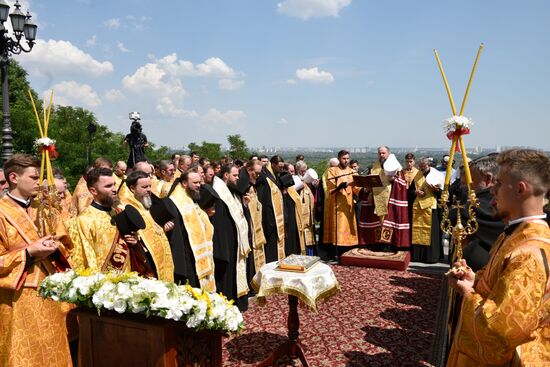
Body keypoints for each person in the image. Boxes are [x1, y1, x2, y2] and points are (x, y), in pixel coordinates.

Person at [447, 149, 550, 366]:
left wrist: (467, 293)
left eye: (500, 183)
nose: (493, 189)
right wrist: (474, 280)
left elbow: (502, 331)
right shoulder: (515, 233)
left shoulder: (528, 254)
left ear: (520, 189)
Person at [0, 154, 73, 367]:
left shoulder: (46, 209)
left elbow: (66, 244)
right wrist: (29, 252)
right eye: (33, 177)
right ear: (14, 177)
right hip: (18, 298)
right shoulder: (2, 212)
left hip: (50, 292)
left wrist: (55, 247)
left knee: (54, 351)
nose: (38, 183)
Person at [69, 167, 138, 271]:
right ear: (93, 191)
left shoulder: (119, 212)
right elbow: (87, 260)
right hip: (104, 283)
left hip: (128, 279)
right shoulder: (85, 220)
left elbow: (132, 247)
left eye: (114, 184)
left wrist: (134, 241)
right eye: (108, 186)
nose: (114, 189)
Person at [165, 171, 216, 291]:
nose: (199, 185)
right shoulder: (175, 202)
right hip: (188, 255)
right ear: (184, 183)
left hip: (198, 255)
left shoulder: (192, 197)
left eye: (199, 182)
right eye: (195, 183)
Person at [211, 164, 251, 311]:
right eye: (235, 175)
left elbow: (239, 216)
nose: (238, 178)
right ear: (226, 175)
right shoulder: (218, 193)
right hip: (226, 243)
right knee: (227, 276)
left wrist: (245, 205)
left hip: (236, 240)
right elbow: (219, 223)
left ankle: (238, 302)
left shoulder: (232, 191)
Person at [121, 171, 174, 281]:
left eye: (149, 186)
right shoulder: (125, 208)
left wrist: (166, 227)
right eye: (144, 187)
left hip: (162, 255)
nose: (149, 189)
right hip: (145, 261)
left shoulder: (148, 203)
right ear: (132, 188)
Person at [359, 146, 410, 251]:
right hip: (376, 197)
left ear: (388, 153)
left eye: (383, 153)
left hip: (390, 197)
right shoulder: (374, 166)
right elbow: (370, 180)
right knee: (378, 221)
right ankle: (378, 243)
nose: (381, 155)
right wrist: (368, 191)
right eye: (380, 153)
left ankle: (389, 244)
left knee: (389, 221)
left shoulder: (396, 166)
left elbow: (402, 182)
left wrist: (394, 180)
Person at [323, 150, 360, 256]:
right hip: (337, 205)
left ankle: (348, 250)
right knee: (338, 227)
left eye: (348, 158)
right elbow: (331, 186)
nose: (346, 160)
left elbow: (357, 188)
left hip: (348, 204)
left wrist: (364, 189)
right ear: (339, 158)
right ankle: (337, 251)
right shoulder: (332, 170)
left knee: (348, 227)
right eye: (344, 158)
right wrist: (342, 184)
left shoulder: (352, 171)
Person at [409, 157, 443, 263]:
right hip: (418, 207)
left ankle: (431, 257)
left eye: (423, 166)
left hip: (431, 207)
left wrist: (436, 191)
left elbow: (445, 193)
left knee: (431, 234)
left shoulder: (437, 175)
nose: (421, 168)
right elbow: (409, 191)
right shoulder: (417, 175)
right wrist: (415, 192)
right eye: (420, 166)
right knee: (417, 231)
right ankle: (417, 256)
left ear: (429, 165)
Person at [256, 156, 285, 263]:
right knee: (270, 247)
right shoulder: (265, 177)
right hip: (269, 218)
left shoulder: (273, 175)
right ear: (273, 164)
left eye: (282, 167)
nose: (281, 169)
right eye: (279, 167)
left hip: (275, 217)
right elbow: (264, 199)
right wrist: (270, 220)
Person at [242, 159, 267, 273]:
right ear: (248, 169)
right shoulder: (243, 183)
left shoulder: (251, 182)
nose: (257, 176)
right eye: (255, 173)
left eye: (259, 173)